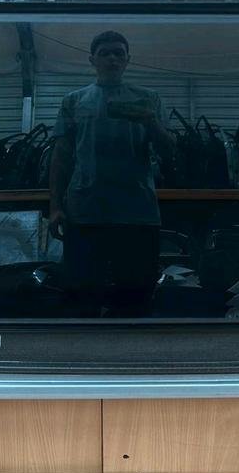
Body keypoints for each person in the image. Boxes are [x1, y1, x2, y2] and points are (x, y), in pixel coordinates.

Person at [49, 30, 175, 316]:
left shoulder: (148, 99)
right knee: (82, 297)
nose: (112, 58)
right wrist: (55, 207)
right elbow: (61, 156)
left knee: (136, 297)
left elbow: (169, 151)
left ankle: (130, 343)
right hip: (85, 213)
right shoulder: (74, 100)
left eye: (119, 53)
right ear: (92, 60)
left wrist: (150, 121)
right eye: (105, 53)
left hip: (137, 214)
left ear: (128, 60)